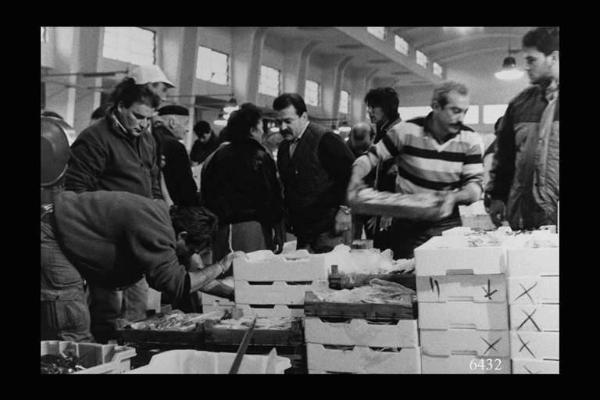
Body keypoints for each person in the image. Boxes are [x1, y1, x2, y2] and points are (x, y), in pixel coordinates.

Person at [41, 116, 243, 342]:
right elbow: (178, 284)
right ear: (183, 235)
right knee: (72, 322)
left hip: (64, 231)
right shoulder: (157, 230)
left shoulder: (165, 222)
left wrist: (232, 292)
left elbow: (187, 277)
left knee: (86, 318)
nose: (187, 256)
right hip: (53, 233)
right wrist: (222, 265)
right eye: (189, 250)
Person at [64, 77, 164, 341]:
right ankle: (103, 355)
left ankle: (132, 356)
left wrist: (158, 213)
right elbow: (76, 192)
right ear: (120, 107)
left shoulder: (147, 140)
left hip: (140, 236)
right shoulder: (94, 139)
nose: (143, 125)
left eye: (148, 119)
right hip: (105, 240)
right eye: (138, 117)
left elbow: (152, 183)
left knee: (138, 307)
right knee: (106, 307)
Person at [347, 81, 485, 259]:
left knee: (444, 274)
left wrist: (453, 197)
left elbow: (474, 187)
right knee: (405, 276)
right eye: (455, 110)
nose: (461, 118)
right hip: (407, 226)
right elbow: (370, 158)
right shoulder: (406, 132)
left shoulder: (470, 140)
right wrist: (356, 175)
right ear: (436, 106)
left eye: (465, 111)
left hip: (447, 225)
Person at [485, 27, 559, 230]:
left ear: (552, 57)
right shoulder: (519, 105)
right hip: (526, 218)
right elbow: (504, 158)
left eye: (531, 60)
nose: (526, 66)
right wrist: (498, 196)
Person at [273, 93, 355, 253]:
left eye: (288, 121)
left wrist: (345, 209)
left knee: (331, 274)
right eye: (279, 122)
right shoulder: (283, 148)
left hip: (329, 229)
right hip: (302, 231)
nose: (282, 128)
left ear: (303, 116)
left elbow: (354, 174)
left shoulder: (326, 139)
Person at [202, 103, 286, 256]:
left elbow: (207, 194)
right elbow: (270, 197)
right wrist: (278, 228)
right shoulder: (260, 156)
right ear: (252, 130)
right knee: (251, 275)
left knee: (224, 275)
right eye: (261, 128)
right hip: (252, 229)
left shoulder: (216, 156)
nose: (263, 133)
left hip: (221, 229)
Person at [363, 87, 403, 250]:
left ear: (388, 108)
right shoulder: (382, 133)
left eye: (374, 107)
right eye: (369, 107)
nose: (370, 111)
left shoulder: (399, 134)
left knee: (395, 261)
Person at [154, 104, 199, 207]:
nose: (188, 129)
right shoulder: (175, 146)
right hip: (172, 207)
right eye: (186, 123)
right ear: (172, 122)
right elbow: (185, 186)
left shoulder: (148, 139)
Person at [346, 122, 374, 240]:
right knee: (353, 240)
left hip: (372, 202)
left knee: (374, 238)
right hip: (352, 204)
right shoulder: (344, 151)